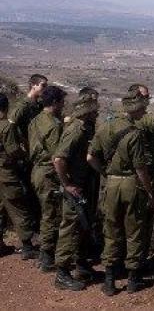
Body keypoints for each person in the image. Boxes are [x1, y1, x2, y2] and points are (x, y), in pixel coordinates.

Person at [87, 90, 154, 295]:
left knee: (111, 231)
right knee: (134, 232)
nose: (144, 110)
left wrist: (106, 173)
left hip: (111, 185)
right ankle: (133, 280)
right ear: (134, 109)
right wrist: (150, 191)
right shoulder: (134, 133)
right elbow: (140, 169)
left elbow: (90, 157)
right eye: (143, 107)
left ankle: (109, 281)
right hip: (131, 185)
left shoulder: (105, 126)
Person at [52, 95, 100, 291]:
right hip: (76, 188)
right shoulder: (76, 130)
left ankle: (81, 265)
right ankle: (62, 273)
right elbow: (58, 159)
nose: (96, 112)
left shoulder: (85, 128)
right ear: (87, 111)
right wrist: (67, 184)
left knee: (82, 226)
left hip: (84, 185)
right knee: (70, 228)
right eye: (94, 109)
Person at [1, 74, 47, 242]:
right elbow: (10, 128)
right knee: (19, 197)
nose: (44, 89)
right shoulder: (22, 107)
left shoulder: (38, 105)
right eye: (42, 86)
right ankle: (27, 237)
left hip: (31, 155)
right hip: (20, 156)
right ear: (32, 86)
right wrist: (20, 147)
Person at [29, 85, 66, 272]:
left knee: (46, 212)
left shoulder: (35, 120)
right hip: (48, 173)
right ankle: (46, 256)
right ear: (55, 102)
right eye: (62, 102)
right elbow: (56, 156)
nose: (63, 105)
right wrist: (66, 180)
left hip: (36, 170)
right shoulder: (54, 125)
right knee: (51, 214)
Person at [0, 92, 37, 259]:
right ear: (6, 107)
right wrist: (24, 153)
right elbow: (13, 150)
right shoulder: (6, 126)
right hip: (7, 172)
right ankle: (27, 245)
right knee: (18, 207)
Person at [127, 83, 154, 265]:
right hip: (143, 176)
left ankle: (121, 264)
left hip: (123, 178)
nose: (148, 101)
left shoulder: (118, 119)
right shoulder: (148, 121)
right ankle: (137, 265)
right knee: (143, 223)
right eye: (145, 97)